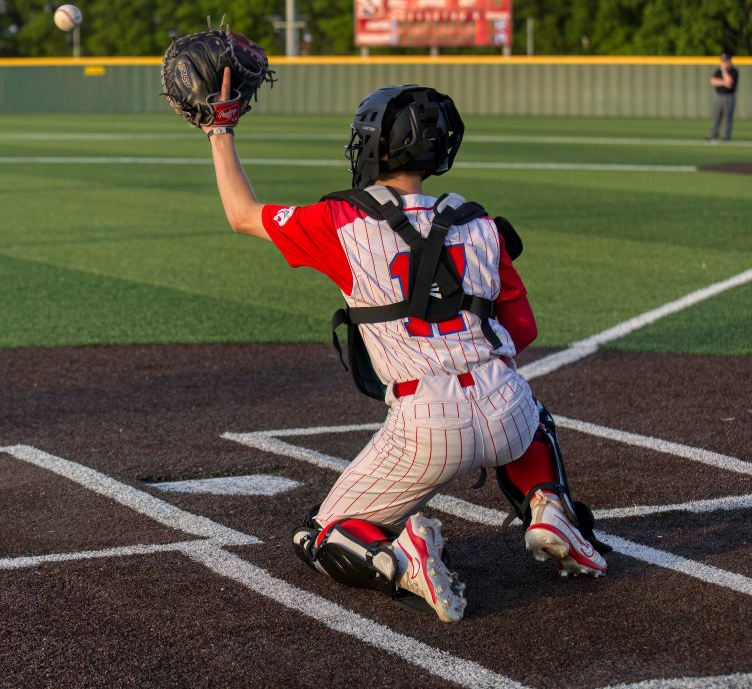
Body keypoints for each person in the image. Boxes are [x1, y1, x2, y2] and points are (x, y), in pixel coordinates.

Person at [195, 70, 607, 623]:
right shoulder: (481, 224)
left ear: (375, 147)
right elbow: (521, 328)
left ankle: (402, 558)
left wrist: (220, 128)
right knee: (534, 417)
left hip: (426, 421)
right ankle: (549, 506)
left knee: (321, 534)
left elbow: (241, 214)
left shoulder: (340, 220)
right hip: (503, 403)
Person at [707, 50, 738, 142]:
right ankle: (713, 135)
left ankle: (726, 136)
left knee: (727, 117)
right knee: (716, 117)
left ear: (729, 60)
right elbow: (712, 81)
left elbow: (730, 82)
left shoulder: (733, 71)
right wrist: (724, 82)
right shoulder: (718, 71)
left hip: (729, 96)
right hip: (718, 95)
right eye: (722, 60)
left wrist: (724, 72)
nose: (723, 62)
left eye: (725, 60)